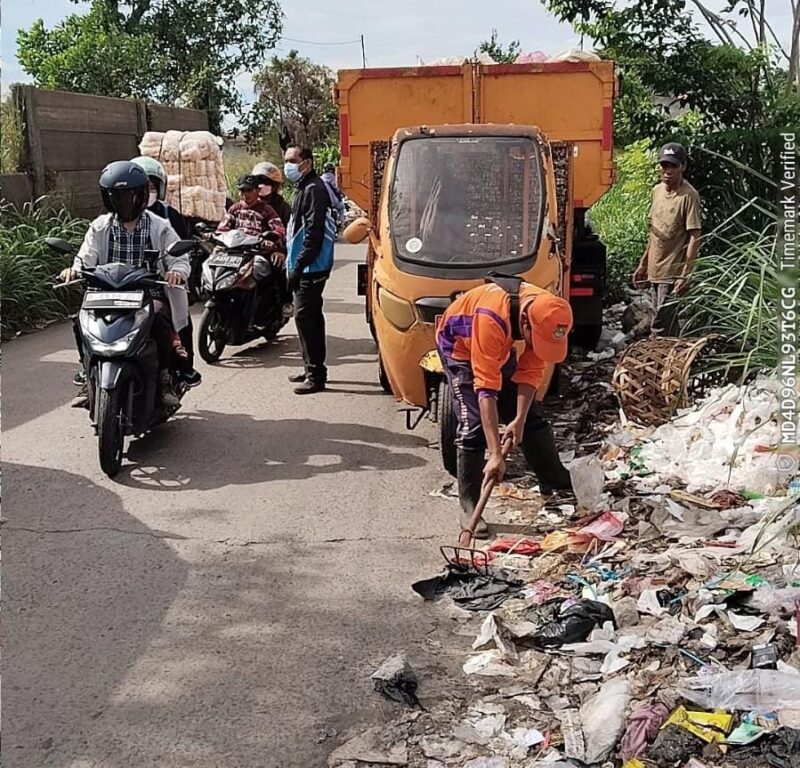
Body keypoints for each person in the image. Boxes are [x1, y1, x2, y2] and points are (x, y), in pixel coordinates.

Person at [436, 276, 574, 538]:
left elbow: (531, 373)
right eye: (537, 340)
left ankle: (553, 477)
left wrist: (519, 420)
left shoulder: (547, 313)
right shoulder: (491, 317)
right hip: (460, 346)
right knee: (473, 425)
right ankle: (469, 504)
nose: (538, 346)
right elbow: (486, 391)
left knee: (532, 417)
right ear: (525, 323)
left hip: (501, 343)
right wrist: (496, 454)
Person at [61, 161, 191, 409]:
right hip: (107, 291)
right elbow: (85, 256)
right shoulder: (100, 226)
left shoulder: (159, 226)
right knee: (81, 322)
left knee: (161, 317)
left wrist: (176, 271)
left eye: (130, 195)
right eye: (118, 196)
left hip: (146, 290)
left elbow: (179, 257)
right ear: (109, 198)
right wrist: (74, 269)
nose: (125, 202)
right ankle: (88, 374)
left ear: (141, 195)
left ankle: (164, 378)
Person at [131, 155, 201, 385]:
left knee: (176, 321)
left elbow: (182, 252)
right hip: (123, 287)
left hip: (161, 285)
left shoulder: (168, 218)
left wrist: (176, 272)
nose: (146, 193)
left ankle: (182, 368)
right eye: (141, 188)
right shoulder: (107, 223)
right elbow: (92, 253)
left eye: (151, 187)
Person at [633, 142, 702, 336]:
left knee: (660, 324)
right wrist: (644, 263)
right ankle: (673, 360)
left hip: (672, 271)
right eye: (664, 166)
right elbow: (655, 230)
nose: (668, 171)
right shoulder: (657, 191)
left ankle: (661, 360)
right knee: (665, 321)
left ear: (683, 166)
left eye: (673, 166)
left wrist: (686, 273)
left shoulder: (688, 196)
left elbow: (695, 236)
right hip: (655, 268)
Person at [284, 145, 336, 394]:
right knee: (308, 317)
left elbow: (313, 234)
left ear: (307, 162)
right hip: (305, 265)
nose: (288, 165)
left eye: (293, 160)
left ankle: (316, 375)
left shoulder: (314, 189)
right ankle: (311, 368)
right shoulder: (304, 187)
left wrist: (300, 265)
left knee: (306, 318)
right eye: (286, 160)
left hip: (312, 266)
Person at [217, 174, 288, 331]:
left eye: (248, 190)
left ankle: (282, 303)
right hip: (235, 253)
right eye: (242, 190)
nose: (245, 194)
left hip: (258, 253)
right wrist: (214, 235)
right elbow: (223, 227)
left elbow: (279, 228)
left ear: (257, 191)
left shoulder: (266, 210)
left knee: (272, 270)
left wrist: (272, 239)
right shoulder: (235, 208)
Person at [252, 161, 292, 227]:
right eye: (257, 181)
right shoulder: (248, 205)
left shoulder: (283, 208)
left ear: (274, 185)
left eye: (264, 181)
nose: (260, 185)